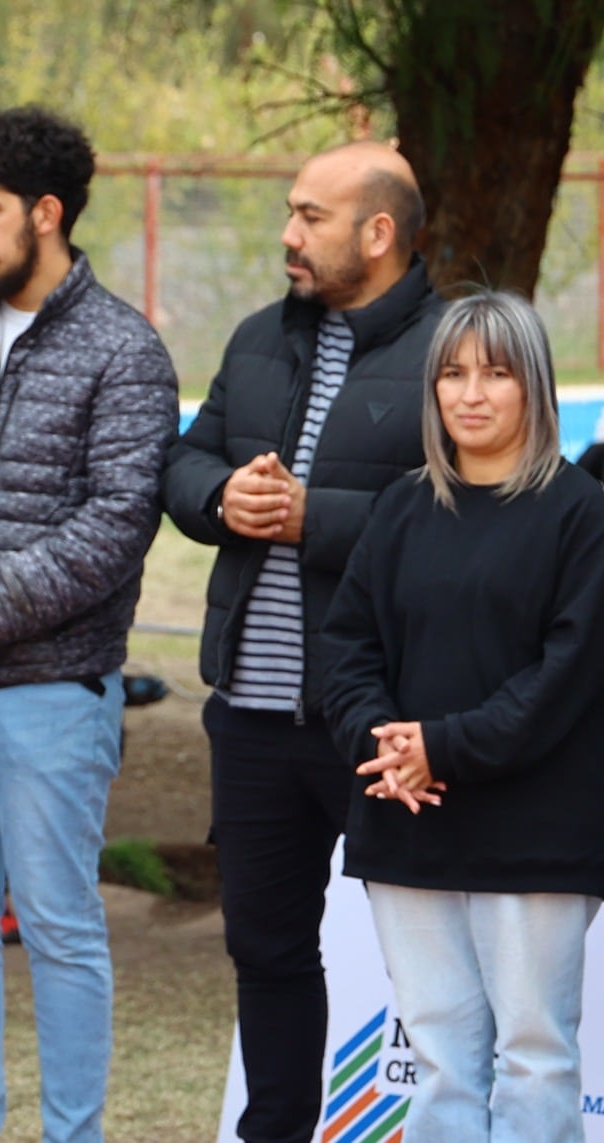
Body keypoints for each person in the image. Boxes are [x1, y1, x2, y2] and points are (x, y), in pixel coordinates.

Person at [0, 107, 179, 1143]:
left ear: (46, 213)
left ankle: (76, 1136)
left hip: (53, 695)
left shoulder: (125, 350)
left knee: (61, 931)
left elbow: (113, 529)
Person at [159, 141, 442, 1143]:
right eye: (289, 211)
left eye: (308, 216)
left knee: (432, 971)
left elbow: (470, 518)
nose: (286, 233)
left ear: (377, 233)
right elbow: (184, 462)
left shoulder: (452, 352)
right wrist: (220, 497)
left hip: (378, 723)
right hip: (248, 717)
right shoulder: (255, 340)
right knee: (267, 954)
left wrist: (311, 518)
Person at [322, 291, 604, 1143]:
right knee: (441, 1056)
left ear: (537, 387)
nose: (471, 393)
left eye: (496, 372)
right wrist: (386, 747)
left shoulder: (581, 512)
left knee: (534, 1055)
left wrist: (438, 747)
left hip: (535, 833)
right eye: (452, 372)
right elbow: (349, 649)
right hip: (409, 819)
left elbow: (566, 677)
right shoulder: (401, 508)